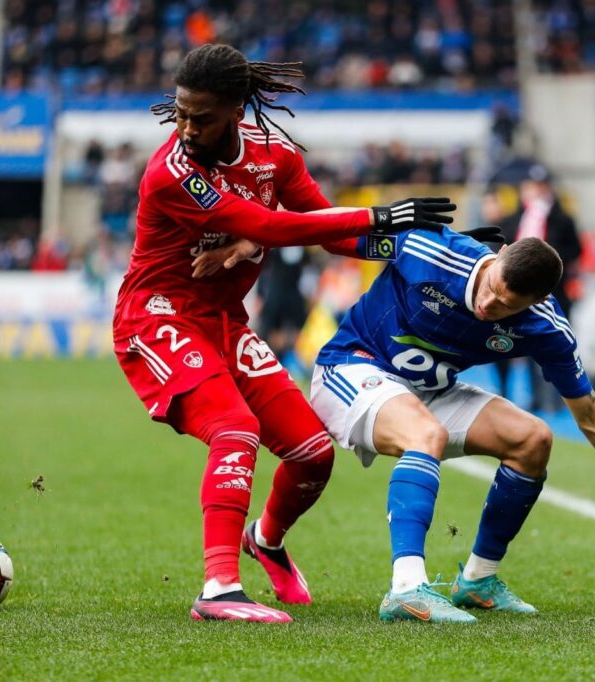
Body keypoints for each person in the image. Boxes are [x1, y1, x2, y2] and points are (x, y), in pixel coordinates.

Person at [112, 43, 455, 624]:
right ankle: (219, 587)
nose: (187, 128)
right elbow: (264, 223)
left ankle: (265, 539)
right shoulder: (171, 172)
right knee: (235, 429)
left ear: (238, 108)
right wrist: (375, 214)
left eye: (202, 117)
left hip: (223, 324)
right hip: (158, 316)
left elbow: (329, 234)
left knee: (314, 453)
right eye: (180, 113)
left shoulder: (276, 156)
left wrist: (439, 249)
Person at [308, 228, 595, 623]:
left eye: (503, 306)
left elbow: (591, 414)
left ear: (538, 301)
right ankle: (406, 589)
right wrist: (257, 233)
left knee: (532, 439)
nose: (486, 305)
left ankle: (478, 580)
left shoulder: (546, 328)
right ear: (503, 252)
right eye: (490, 287)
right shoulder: (432, 250)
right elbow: (333, 235)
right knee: (426, 434)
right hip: (352, 366)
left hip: (426, 389)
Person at [494, 164, 582, 411]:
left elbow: (575, 250)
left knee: (553, 344)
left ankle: (558, 397)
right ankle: (516, 394)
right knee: (514, 340)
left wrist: (548, 262)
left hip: (553, 291)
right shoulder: (514, 218)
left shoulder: (562, 219)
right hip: (518, 291)